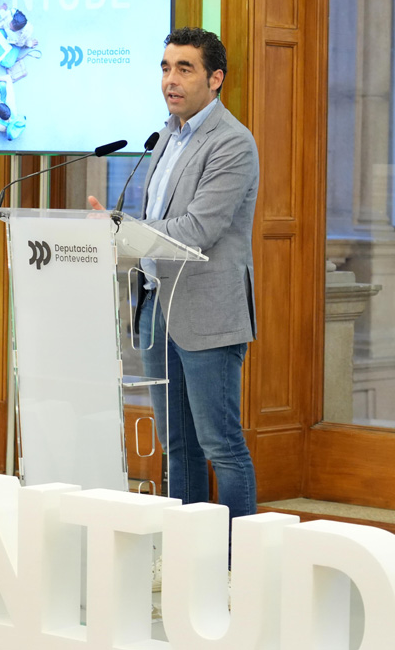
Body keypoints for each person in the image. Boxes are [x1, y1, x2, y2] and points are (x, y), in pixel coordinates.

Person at [89, 27, 259, 526]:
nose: (171, 79)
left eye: (185, 69)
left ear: (215, 79)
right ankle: (186, 548)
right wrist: (121, 232)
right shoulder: (164, 136)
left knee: (220, 443)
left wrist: (121, 230)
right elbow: (159, 220)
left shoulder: (232, 142)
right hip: (156, 305)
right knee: (177, 444)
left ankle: (235, 555)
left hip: (206, 311)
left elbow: (198, 229)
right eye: (166, 68)